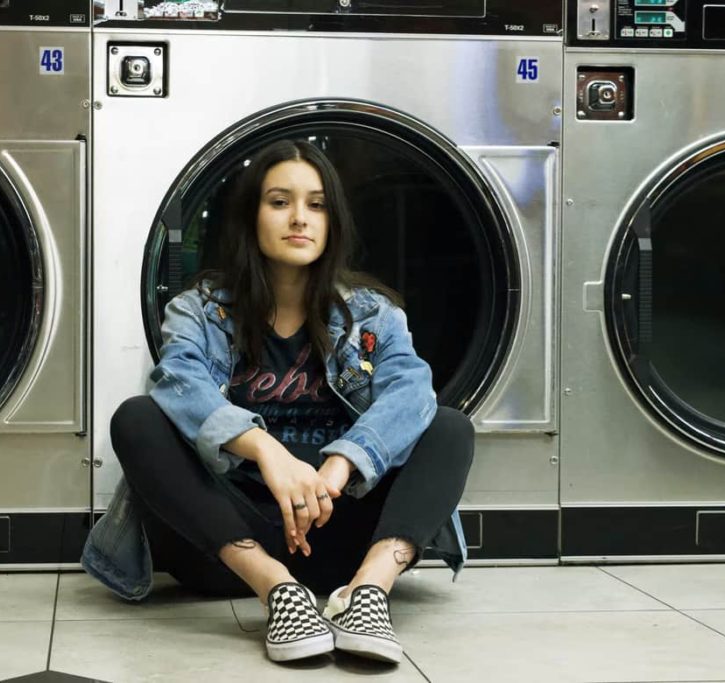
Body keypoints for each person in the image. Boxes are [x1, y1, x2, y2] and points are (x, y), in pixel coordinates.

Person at [83, 139, 475, 665]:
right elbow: (180, 381)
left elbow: (410, 392)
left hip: (341, 530)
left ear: (333, 221)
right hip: (227, 538)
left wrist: (341, 465)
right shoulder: (199, 310)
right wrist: (269, 453)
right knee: (137, 418)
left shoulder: (372, 313)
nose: (300, 218)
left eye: (316, 205)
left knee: (449, 426)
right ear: (251, 215)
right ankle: (279, 592)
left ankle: (367, 595)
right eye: (279, 201)